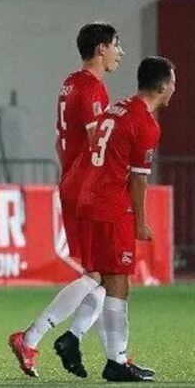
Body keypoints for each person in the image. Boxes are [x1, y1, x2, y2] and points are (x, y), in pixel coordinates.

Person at [9, 22, 123, 378]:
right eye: (117, 46)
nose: (120, 53)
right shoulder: (91, 89)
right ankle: (33, 336)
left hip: (74, 183)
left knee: (101, 275)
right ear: (101, 48)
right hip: (86, 188)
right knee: (98, 274)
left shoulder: (71, 82)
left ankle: (69, 339)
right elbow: (97, 146)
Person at [76, 56, 172, 383]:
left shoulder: (118, 107)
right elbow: (139, 179)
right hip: (113, 208)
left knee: (107, 280)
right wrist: (141, 222)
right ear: (162, 87)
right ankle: (114, 361)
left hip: (93, 200)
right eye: (173, 82)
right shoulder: (146, 124)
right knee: (117, 283)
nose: (175, 88)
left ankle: (102, 352)